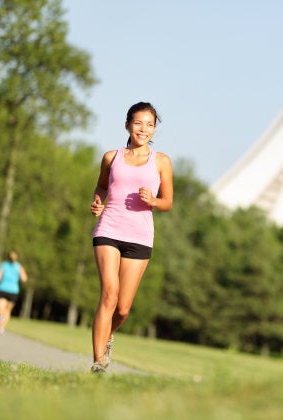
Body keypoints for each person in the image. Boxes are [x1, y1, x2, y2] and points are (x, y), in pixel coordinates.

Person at [89, 102, 173, 373]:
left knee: (123, 309)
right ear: (127, 125)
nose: (143, 129)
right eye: (138, 123)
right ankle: (98, 362)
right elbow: (102, 185)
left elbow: (168, 201)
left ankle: (108, 335)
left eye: (149, 124)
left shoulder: (161, 161)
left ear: (154, 129)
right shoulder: (111, 157)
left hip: (140, 236)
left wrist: (154, 200)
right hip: (109, 229)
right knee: (108, 295)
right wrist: (97, 201)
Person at [0, 250, 28, 334]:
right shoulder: (19, 267)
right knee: (8, 310)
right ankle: (2, 327)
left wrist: (1, 279)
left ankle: (0, 317)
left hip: (3, 288)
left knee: (1, 307)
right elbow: (24, 278)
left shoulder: (3, 265)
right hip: (13, 290)